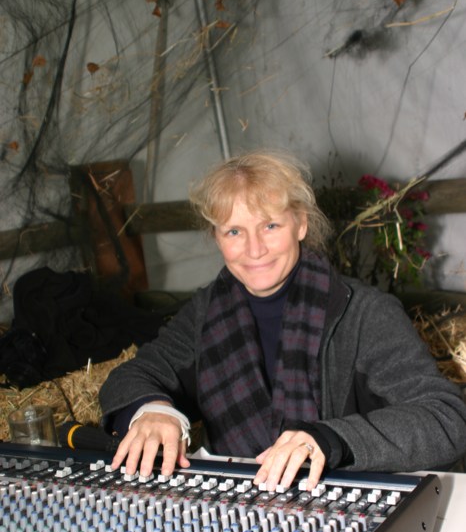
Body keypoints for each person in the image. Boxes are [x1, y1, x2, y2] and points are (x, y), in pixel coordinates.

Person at [99, 150, 466, 490]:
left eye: (270, 226)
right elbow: (131, 377)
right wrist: (152, 411)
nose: (254, 249)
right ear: (216, 238)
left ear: (301, 224)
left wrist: (331, 439)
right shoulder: (206, 312)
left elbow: (445, 419)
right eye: (234, 231)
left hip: (345, 506)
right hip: (235, 503)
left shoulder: (364, 314)